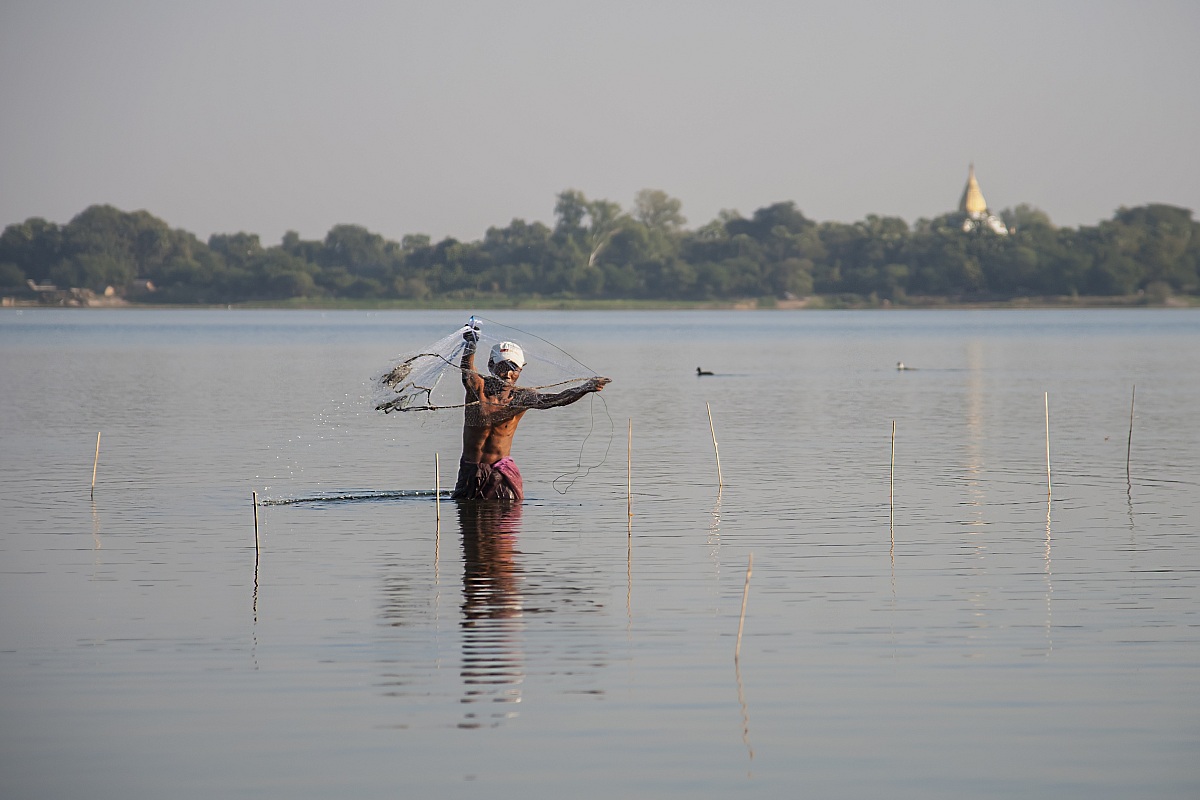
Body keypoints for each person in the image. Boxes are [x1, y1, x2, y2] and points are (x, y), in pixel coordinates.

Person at [451, 322, 610, 501]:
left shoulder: (522, 397)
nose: (508, 375)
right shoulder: (477, 389)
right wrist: (470, 346)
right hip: (471, 472)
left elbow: (555, 400)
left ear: (520, 370)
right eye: (503, 368)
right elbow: (467, 371)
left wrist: (584, 388)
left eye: (514, 370)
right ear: (491, 365)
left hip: (501, 475)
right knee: (469, 526)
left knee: (502, 525)